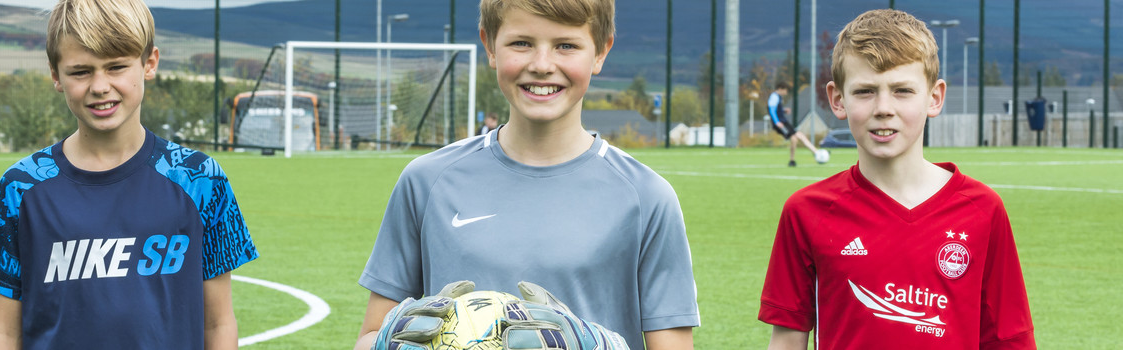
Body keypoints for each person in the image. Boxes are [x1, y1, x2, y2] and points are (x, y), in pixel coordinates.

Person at [354, 0, 700, 349]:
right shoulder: (427, 181)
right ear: (489, 45)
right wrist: (387, 341)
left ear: (601, 51)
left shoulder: (646, 197)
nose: (542, 65)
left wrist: (598, 345)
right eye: (522, 43)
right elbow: (369, 336)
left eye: (566, 45)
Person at [0, 0, 259, 348]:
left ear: (149, 63)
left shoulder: (200, 179)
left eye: (116, 67)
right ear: (56, 75)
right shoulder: (21, 187)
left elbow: (218, 324)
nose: (100, 86)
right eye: (81, 71)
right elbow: (5, 331)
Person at [759, 9, 1035, 350]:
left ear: (934, 98)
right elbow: (787, 340)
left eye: (902, 90)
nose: (883, 108)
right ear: (837, 99)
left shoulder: (982, 210)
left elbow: (1009, 340)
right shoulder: (807, 212)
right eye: (865, 91)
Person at [767, 82, 828, 167]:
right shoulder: (774, 97)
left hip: (783, 122)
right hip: (780, 123)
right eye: (786, 90)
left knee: (794, 138)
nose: (786, 92)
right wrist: (777, 122)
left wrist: (784, 110)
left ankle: (792, 161)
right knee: (798, 135)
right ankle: (815, 152)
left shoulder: (778, 97)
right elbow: (772, 110)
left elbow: (776, 109)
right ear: (780, 89)